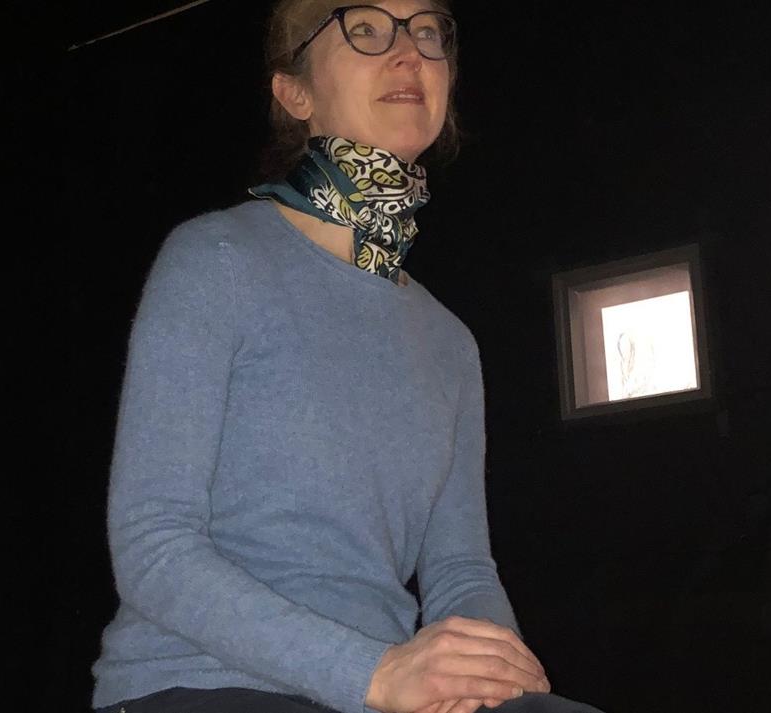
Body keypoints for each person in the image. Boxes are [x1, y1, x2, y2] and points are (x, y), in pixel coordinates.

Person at [90, 2, 604, 712]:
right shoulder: (217, 260)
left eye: (428, 31)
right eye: (365, 28)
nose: (410, 51)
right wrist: (372, 674)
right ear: (294, 92)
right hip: (202, 681)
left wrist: (488, 675)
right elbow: (153, 545)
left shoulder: (451, 341)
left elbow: (459, 569)